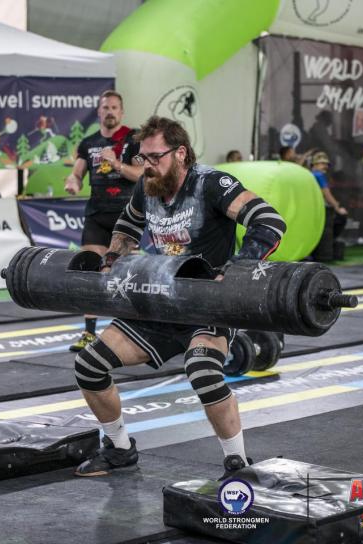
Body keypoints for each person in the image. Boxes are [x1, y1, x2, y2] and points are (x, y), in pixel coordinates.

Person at [72, 116, 286, 477]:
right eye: (143, 158)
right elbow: (128, 223)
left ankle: (237, 463)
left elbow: (269, 221)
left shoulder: (212, 184)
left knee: (202, 371)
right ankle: (120, 449)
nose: (147, 166)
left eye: (155, 157)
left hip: (209, 304)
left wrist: (234, 270)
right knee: (89, 366)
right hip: (161, 298)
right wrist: (111, 258)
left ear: (181, 153)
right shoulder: (148, 185)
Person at [64, 90, 144, 351]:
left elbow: (141, 175)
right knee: (91, 270)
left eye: (114, 107)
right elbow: (77, 172)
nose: (109, 111)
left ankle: (133, 330)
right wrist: (73, 181)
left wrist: (117, 164)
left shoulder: (132, 139)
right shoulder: (88, 143)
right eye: (105, 107)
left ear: (121, 112)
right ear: (98, 112)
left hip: (127, 217)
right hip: (96, 215)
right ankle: (89, 333)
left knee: (126, 274)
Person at [310, 151, 348, 244]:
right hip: (319, 209)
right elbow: (327, 194)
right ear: (314, 164)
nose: (325, 166)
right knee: (341, 216)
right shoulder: (319, 175)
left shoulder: (310, 174)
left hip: (312, 209)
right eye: (322, 163)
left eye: (326, 164)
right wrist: (337, 208)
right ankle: (330, 242)